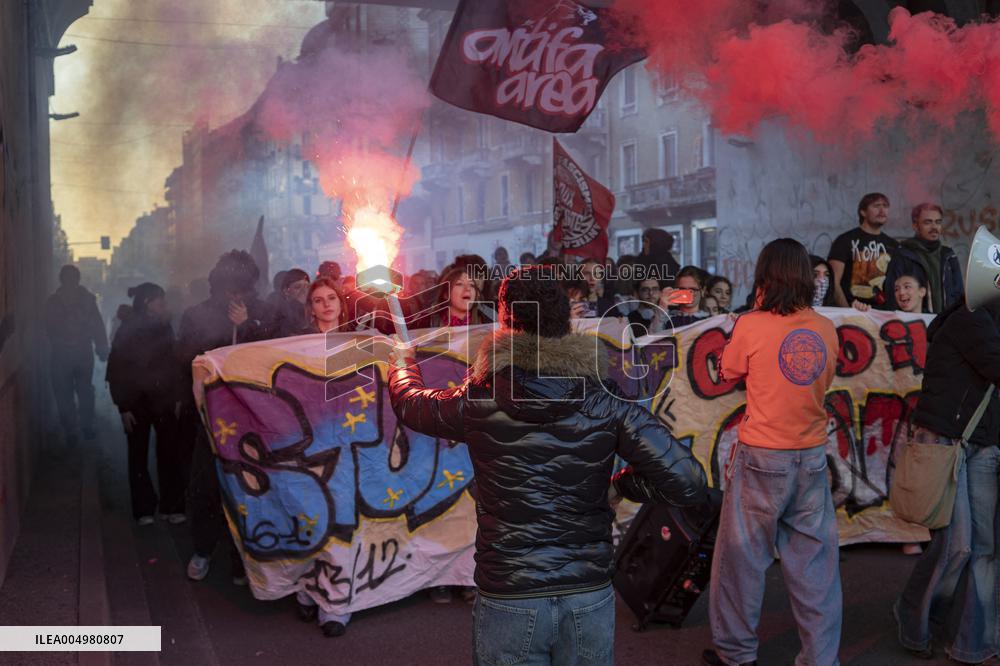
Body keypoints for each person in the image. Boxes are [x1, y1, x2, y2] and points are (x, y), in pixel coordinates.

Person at [388, 265, 708, 666]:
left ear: (505, 319)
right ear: (564, 319)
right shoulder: (604, 400)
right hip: (586, 590)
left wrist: (402, 363)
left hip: (511, 591)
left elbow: (411, 405)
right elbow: (688, 480)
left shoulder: (480, 399)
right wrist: (620, 485)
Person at [703, 238, 841, 666]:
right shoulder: (825, 328)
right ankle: (820, 659)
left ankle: (737, 655)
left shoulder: (751, 324)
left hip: (762, 455)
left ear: (765, 277)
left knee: (741, 562)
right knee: (816, 569)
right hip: (811, 455)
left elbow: (726, 371)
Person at [893, 295, 1000, 664]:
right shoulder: (971, 317)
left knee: (981, 549)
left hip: (981, 444)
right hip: (946, 442)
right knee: (959, 547)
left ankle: (972, 642)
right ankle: (915, 614)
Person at [179, 250, 283, 585]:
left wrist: (248, 327)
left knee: (250, 487)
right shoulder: (197, 315)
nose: (237, 296)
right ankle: (203, 549)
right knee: (206, 485)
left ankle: (244, 558)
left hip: (253, 415)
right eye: (231, 290)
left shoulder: (264, 312)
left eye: (243, 290)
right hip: (211, 414)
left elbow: (274, 357)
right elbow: (185, 358)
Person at [105, 283, 185, 526]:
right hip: (136, 402)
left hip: (164, 400)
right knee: (138, 456)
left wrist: (178, 396)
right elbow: (116, 368)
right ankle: (143, 509)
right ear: (147, 302)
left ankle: (172, 506)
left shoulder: (164, 326)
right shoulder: (127, 329)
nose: (164, 303)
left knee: (170, 453)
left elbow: (174, 362)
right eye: (160, 299)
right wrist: (123, 407)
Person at [45, 264, 110, 443]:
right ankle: (79, 428)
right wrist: (101, 347)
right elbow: (97, 325)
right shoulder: (66, 301)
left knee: (73, 392)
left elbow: (96, 325)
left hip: (70, 354)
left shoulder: (57, 301)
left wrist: (102, 347)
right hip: (72, 353)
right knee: (76, 391)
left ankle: (78, 428)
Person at [882, 203, 963, 313]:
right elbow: (892, 295)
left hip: (946, 321)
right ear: (915, 226)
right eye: (928, 222)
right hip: (917, 321)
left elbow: (959, 294)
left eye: (938, 222)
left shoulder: (948, 255)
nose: (934, 227)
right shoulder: (903, 255)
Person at [827, 192, 900, 308]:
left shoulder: (893, 245)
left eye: (885, 206)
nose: (882, 210)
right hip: (851, 309)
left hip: (883, 313)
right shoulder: (845, 240)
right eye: (876, 206)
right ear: (863, 212)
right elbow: (833, 281)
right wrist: (847, 311)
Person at [413, 264, 488, 330]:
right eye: (459, 284)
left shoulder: (487, 320)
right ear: (446, 294)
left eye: (471, 285)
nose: (468, 288)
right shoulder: (424, 322)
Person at [278, 268, 311, 336]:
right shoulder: (281, 316)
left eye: (307, 287)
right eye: (298, 287)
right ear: (286, 291)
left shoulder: (315, 310)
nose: (304, 291)